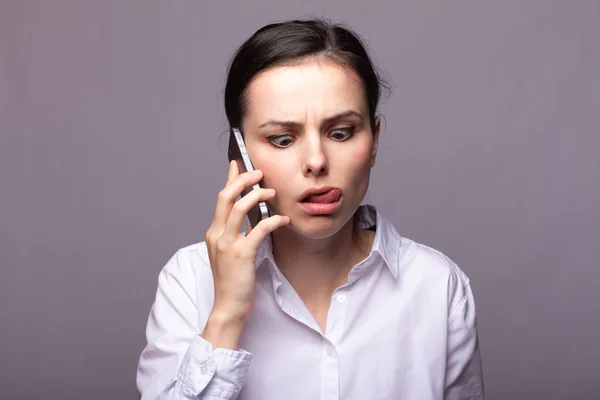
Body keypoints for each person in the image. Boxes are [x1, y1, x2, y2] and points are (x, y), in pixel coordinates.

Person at [136, 18, 484, 400]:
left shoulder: (437, 286)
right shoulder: (190, 281)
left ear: (374, 140)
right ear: (240, 154)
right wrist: (226, 317)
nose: (316, 161)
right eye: (283, 139)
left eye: (341, 133)